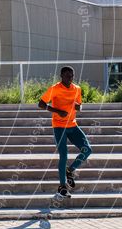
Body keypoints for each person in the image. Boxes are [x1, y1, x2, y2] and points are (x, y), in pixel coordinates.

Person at [38, 66, 93, 198]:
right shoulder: (55, 88)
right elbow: (41, 103)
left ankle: (70, 170)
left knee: (87, 150)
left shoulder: (77, 89)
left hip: (73, 126)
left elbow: (79, 104)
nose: (70, 78)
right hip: (59, 126)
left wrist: (79, 107)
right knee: (64, 156)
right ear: (61, 76)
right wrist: (57, 111)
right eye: (67, 75)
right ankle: (62, 186)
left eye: (72, 75)